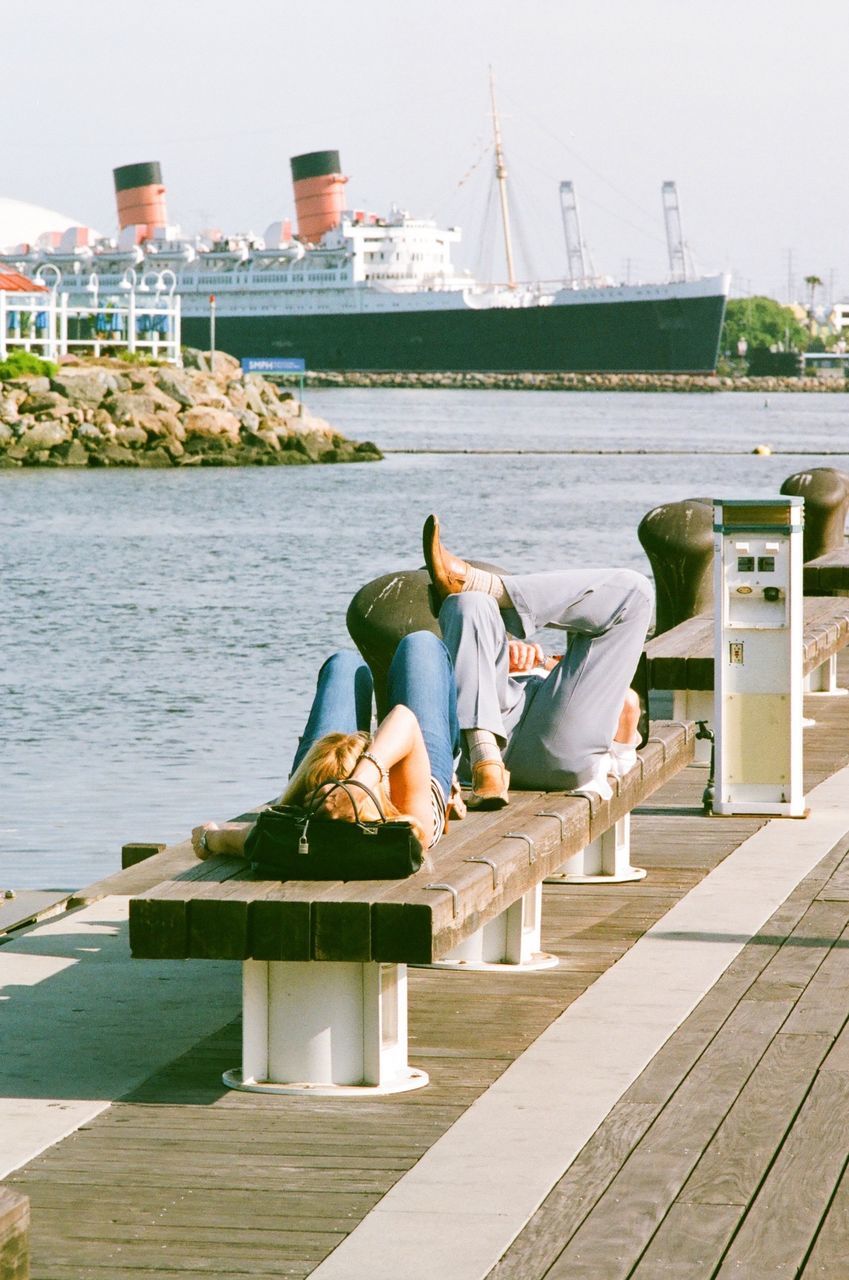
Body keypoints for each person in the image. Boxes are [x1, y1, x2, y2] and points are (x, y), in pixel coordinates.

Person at [423, 514, 652, 810]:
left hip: (555, 743)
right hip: (492, 726)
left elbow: (627, 706)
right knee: (468, 604)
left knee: (634, 592)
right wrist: (501, 658)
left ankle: (481, 585)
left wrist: (542, 662)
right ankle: (486, 759)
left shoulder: (564, 680)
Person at [192, 631, 461, 861]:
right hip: (405, 785)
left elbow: (224, 839)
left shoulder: (284, 833)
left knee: (343, 663)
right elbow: (404, 719)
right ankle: (452, 788)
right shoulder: (407, 831)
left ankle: (346, 769)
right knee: (420, 644)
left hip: (326, 771)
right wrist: (357, 788)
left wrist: (208, 837)